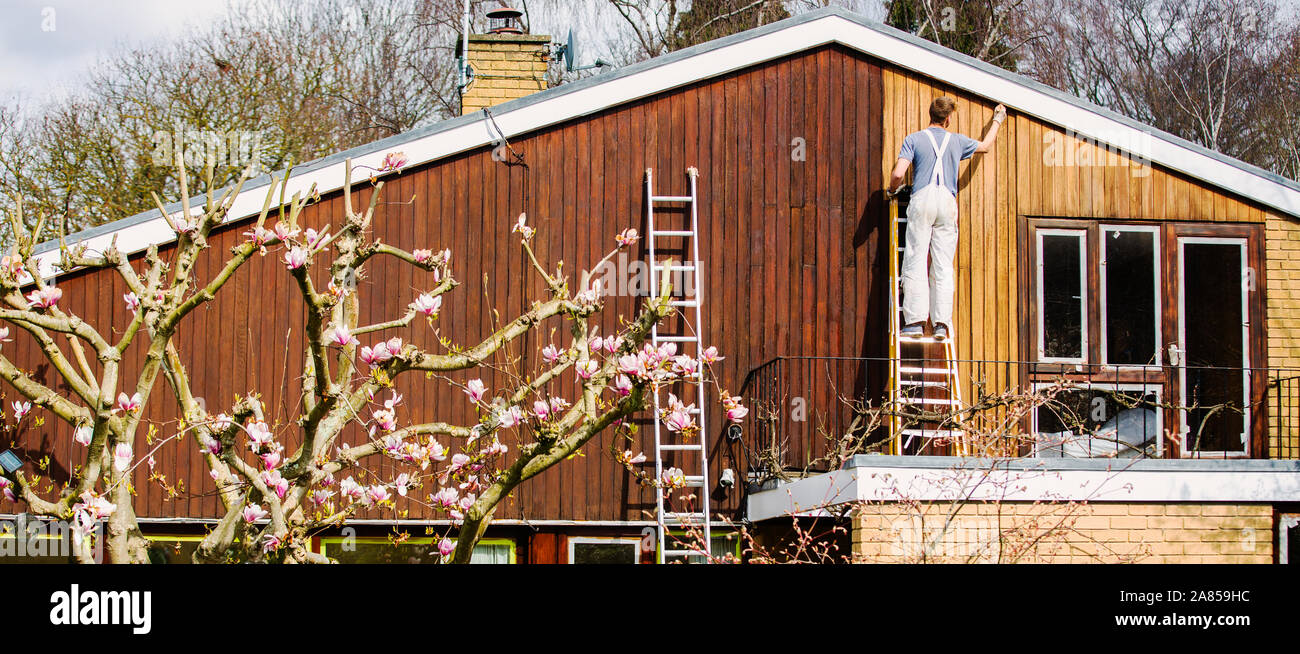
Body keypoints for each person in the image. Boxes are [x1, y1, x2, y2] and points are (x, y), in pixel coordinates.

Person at [887, 97, 1006, 342]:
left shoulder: (914, 139)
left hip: (922, 198)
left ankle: (915, 322)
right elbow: (985, 145)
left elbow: (899, 173)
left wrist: (891, 190)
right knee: (942, 264)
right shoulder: (958, 140)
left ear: (930, 114)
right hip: (947, 201)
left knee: (916, 258)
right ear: (948, 118)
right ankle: (941, 324)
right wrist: (997, 119)